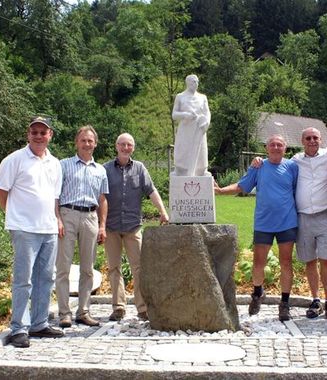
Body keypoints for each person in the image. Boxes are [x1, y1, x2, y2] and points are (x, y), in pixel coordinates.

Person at [251, 128, 327, 320]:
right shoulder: (295, 161)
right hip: (302, 218)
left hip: (324, 216)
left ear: (321, 140)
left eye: (315, 138)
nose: (312, 141)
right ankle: (315, 300)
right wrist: (258, 160)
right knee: (310, 261)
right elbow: (275, 162)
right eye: (308, 138)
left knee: (325, 259)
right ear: (302, 141)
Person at [0, 116, 64, 348]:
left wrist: (56, 220)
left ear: (50, 135)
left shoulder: (55, 163)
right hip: (24, 229)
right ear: (28, 134)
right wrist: (14, 216)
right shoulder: (14, 160)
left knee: (46, 278)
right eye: (34, 132)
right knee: (23, 280)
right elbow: (1, 191)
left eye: (43, 132)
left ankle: (39, 324)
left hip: (48, 228)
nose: (38, 136)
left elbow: (55, 197)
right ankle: (19, 328)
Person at [215, 135, 298, 321]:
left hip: (287, 222)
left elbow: (298, 189)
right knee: (258, 263)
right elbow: (242, 186)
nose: (276, 147)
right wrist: (220, 190)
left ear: (285, 148)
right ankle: (257, 293)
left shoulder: (292, 167)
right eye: (272, 145)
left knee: (286, 262)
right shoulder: (258, 166)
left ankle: (285, 303)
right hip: (263, 223)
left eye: (280, 145)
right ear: (267, 148)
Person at [103, 133, 169, 321]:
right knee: (114, 268)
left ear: (133, 147)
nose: (125, 148)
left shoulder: (140, 169)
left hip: (133, 227)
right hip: (111, 227)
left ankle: (142, 308)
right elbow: (100, 197)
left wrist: (163, 211)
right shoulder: (105, 169)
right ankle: (119, 307)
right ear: (116, 146)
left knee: (139, 268)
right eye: (122, 144)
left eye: (129, 145)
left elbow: (151, 191)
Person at [55, 126, 109, 328]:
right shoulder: (64, 165)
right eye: (83, 140)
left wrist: (102, 225)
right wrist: (57, 218)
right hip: (67, 213)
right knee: (63, 267)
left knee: (88, 268)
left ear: (95, 144)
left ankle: (83, 311)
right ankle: (64, 313)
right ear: (76, 143)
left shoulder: (100, 170)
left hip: (90, 217)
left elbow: (103, 199)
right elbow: (55, 195)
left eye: (90, 141)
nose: (87, 144)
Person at [172, 74, 211, 177]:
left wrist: (206, 122)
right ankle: (180, 170)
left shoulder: (203, 97)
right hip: (185, 130)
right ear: (188, 83)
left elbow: (207, 113)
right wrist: (185, 115)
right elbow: (174, 115)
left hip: (199, 129)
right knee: (183, 151)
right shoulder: (180, 97)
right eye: (193, 81)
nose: (196, 83)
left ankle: (201, 170)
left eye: (197, 81)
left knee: (201, 151)